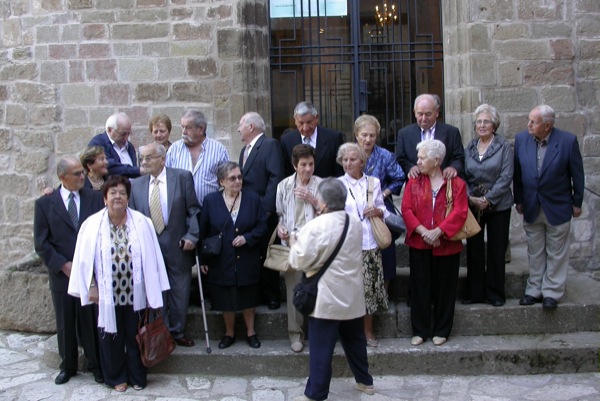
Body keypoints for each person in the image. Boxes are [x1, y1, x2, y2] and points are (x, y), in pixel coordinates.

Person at [68, 175, 170, 392]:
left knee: (135, 336)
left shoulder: (142, 222)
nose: (117, 197)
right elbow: (84, 260)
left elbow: (153, 258)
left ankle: (137, 376)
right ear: (105, 198)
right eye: (112, 193)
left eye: (122, 193)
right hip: (107, 295)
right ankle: (116, 377)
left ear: (128, 198)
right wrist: (92, 286)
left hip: (135, 293)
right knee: (111, 337)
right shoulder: (92, 224)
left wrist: (153, 290)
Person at [289, 178, 374, 401]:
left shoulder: (316, 226)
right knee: (355, 340)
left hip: (326, 297)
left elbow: (298, 261)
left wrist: (293, 241)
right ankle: (365, 381)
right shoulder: (353, 221)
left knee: (321, 348)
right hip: (352, 295)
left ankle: (316, 393)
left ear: (323, 202)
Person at [33, 157, 104, 385]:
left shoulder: (94, 198)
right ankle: (68, 366)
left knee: (90, 321)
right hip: (62, 274)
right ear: (62, 177)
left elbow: (102, 231)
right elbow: (41, 243)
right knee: (65, 321)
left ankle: (96, 365)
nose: (82, 176)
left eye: (82, 172)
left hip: (90, 272)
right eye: (76, 174)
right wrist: (63, 265)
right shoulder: (45, 204)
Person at [129, 143, 201, 347]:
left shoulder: (181, 177)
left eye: (149, 157)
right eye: (142, 158)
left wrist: (192, 235)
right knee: (156, 290)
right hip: (150, 244)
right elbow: (133, 219)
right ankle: (161, 331)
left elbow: (193, 210)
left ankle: (178, 331)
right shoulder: (136, 185)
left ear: (162, 159)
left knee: (180, 289)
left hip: (177, 241)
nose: (144, 162)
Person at [514, 105, 584, 309]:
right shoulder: (521, 140)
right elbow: (518, 174)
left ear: (547, 125)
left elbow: (577, 174)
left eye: (533, 122)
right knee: (535, 251)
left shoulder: (567, 141)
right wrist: (519, 199)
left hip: (558, 205)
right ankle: (534, 290)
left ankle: (552, 292)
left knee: (556, 251)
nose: (528, 125)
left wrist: (577, 202)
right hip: (531, 205)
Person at [401, 139, 467, 347]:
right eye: (418, 157)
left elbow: (460, 212)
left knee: (445, 288)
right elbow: (406, 210)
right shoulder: (414, 182)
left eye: (422, 158)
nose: (418, 161)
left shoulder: (456, 184)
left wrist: (438, 232)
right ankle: (419, 330)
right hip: (420, 243)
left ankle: (442, 330)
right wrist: (424, 232)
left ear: (436, 160)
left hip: (446, 243)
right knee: (420, 287)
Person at [199, 162, 268, 349]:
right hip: (221, 259)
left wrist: (248, 238)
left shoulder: (253, 199)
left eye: (239, 177)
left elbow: (263, 226)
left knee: (248, 297)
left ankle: (250, 332)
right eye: (232, 178)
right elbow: (203, 231)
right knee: (225, 298)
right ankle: (229, 333)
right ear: (222, 181)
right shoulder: (211, 201)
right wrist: (203, 259)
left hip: (247, 257)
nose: (238, 181)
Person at [337, 142, 388, 348]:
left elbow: (384, 209)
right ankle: (348, 332)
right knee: (347, 290)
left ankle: (367, 331)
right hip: (347, 245)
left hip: (369, 242)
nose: (348, 163)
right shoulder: (337, 184)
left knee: (369, 289)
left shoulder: (373, 183)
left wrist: (377, 211)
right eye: (345, 160)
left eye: (352, 159)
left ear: (362, 162)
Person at [463, 104, 514, 307]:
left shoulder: (504, 146)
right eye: (479, 122)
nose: (482, 125)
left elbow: (506, 175)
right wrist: (470, 198)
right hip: (474, 205)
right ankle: (475, 293)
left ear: (494, 125)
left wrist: (489, 199)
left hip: (498, 205)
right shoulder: (470, 147)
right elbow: (463, 175)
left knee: (496, 248)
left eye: (486, 122)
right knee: (474, 249)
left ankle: (495, 293)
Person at [275, 144, 322, 353]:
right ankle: (295, 334)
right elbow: (280, 215)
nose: (308, 169)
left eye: (311, 164)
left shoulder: (322, 185)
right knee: (294, 290)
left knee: (316, 290)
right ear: (295, 165)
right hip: (292, 246)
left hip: (315, 247)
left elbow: (330, 216)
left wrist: (312, 199)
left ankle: (317, 333)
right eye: (303, 165)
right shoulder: (284, 186)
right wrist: (281, 229)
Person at [238, 111, 285, 310]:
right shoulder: (244, 151)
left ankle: (272, 295)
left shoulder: (269, 145)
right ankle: (256, 293)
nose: (238, 129)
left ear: (251, 127)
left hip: (265, 213)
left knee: (268, 254)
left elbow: (275, 177)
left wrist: (266, 211)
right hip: (250, 211)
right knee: (254, 254)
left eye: (241, 125)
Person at [354, 114, 405, 293]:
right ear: (356, 135)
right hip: (355, 206)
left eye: (372, 135)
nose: (368, 139)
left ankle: (384, 289)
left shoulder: (385, 155)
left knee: (386, 246)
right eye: (364, 135)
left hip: (380, 204)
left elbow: (399, 177)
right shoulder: (350, 155)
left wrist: (383, 193)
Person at [165, 109, 229, 206]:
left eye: (188, 128)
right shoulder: (174, 149)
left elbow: (227, 180)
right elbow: (166, 178)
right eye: (182, 127)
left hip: (210, 209)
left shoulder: (218, 149)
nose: (184, 132)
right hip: (181, 211)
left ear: (201, 129)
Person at [396, 94, 465, 180]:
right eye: (420, 114)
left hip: (444, 183)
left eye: (428, 114)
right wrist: (410, 168)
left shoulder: (451, 132)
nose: (424, 118)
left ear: (437, 112)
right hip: (416, 185)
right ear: (414, 113)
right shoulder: (404, 134)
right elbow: (400, 159)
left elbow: (459, 158)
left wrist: (453, 167)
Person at [280, 101, 344, 178]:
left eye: (309, 122)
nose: (305, 128)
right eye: (301, 123)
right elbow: (285, 172)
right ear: (295, 121)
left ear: (316, 118)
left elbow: (340, 172)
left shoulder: (334, 138)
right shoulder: (287, 140)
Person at [88, 112, 141, 178]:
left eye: (129, 133)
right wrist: (139, 171)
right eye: (123, 134)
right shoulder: (98, 143)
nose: (126, 137)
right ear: (110, 130)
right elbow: (110, 167)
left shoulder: (129, 146)